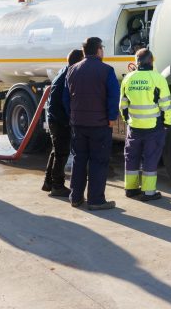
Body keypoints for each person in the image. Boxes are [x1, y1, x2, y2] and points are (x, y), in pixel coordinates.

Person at [63, 37, 120, 211]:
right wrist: (112, 118)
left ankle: (75, 197)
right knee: (98, 161)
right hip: (99, 125)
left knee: (79, 159)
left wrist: (73, 116)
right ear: (98, 50)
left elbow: (66, 98)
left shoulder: (72, 70)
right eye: (102, 48)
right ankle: (96, 200)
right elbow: (113, 96)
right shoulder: (106, 70)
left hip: (78, 125)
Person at [119, 48, 171, 201]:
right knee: (150, 158)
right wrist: (167, 123)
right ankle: (148, 192)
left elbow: (122, 105)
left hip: (134, 125)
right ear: (151, 61)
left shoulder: (128, 78)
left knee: (131, 157)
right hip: (153, 127)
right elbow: (166, 105)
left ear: (137, 61)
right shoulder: (158, 79)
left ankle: (130, 189)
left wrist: (127, 120)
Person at [42, 48, 84, 197]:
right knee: (62, 153)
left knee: (56, 152)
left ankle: (49, 181)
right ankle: (57, 186)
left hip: (55, 118)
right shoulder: (68, 75)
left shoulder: (63, 72)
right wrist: (69, 120)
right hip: (60, 120)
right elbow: (64, 102)